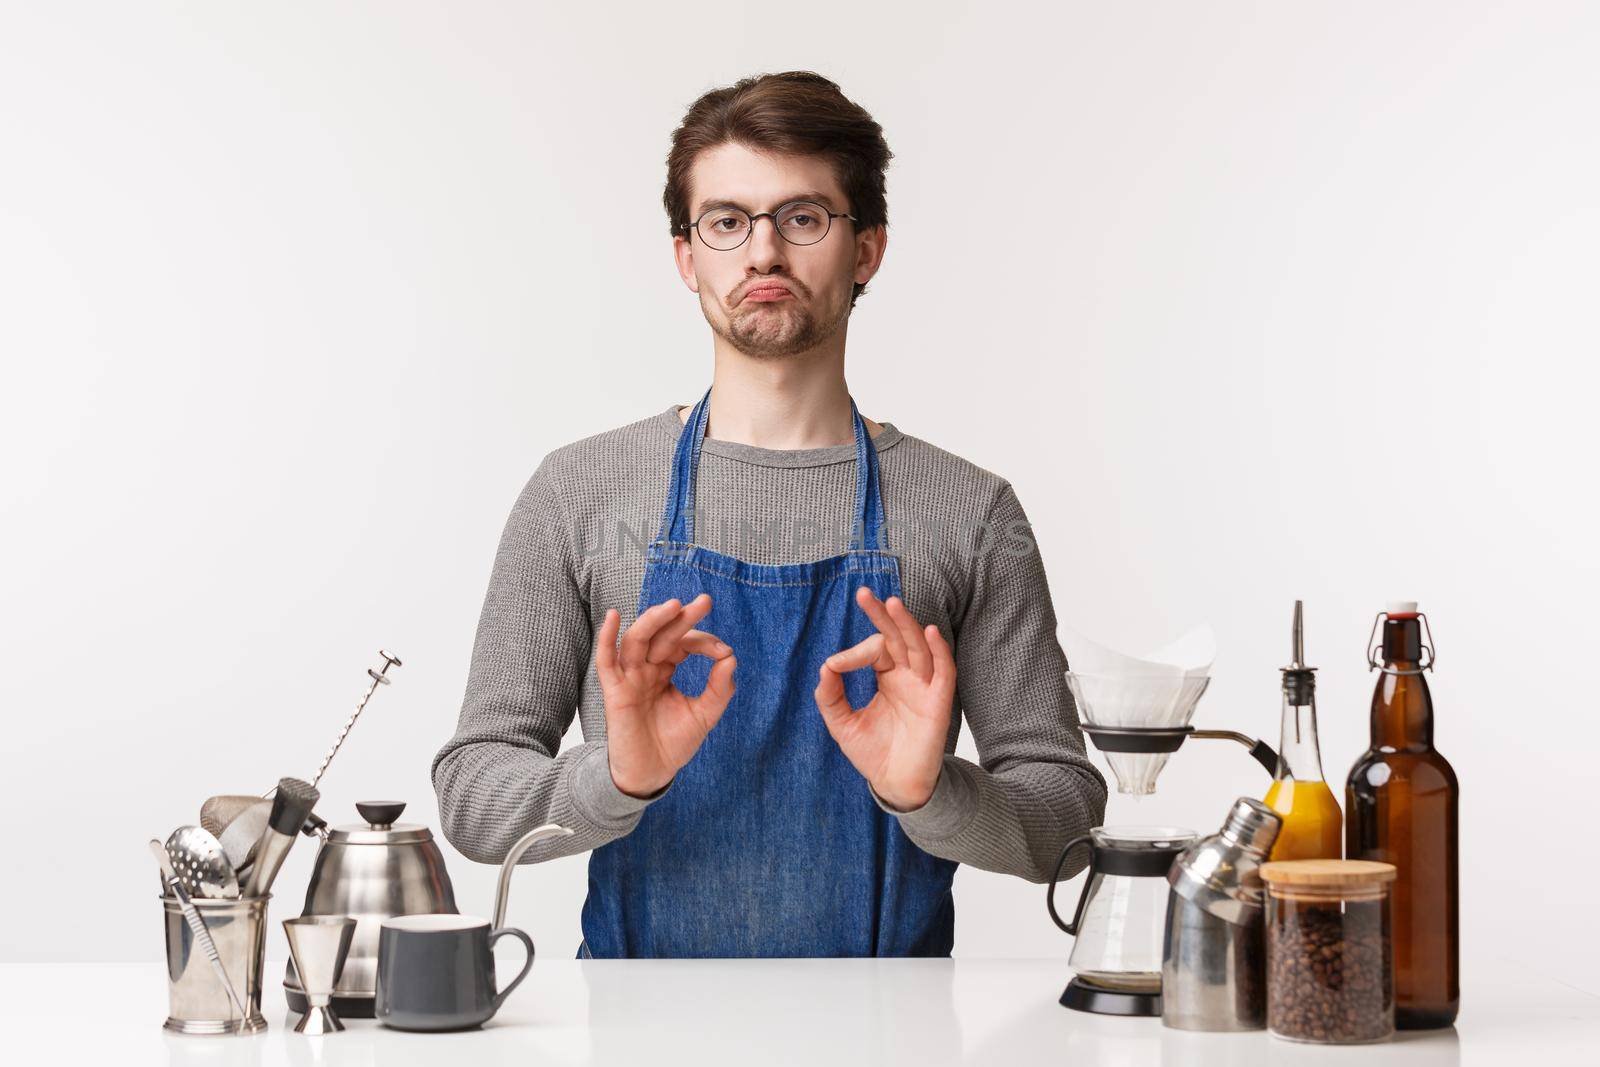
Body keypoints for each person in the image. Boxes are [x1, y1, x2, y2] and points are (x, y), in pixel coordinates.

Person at [432, 70, 1106, 959]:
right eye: (727, 221)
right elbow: (473, 793)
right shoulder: (579, 491)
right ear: (687, 256)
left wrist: (931, 792)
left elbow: (1066, 816)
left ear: (866, 249)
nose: (763, 254)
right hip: (638, 1034)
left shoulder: (969, 511)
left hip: (896, 1038)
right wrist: (620, 777)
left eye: (803, 217)